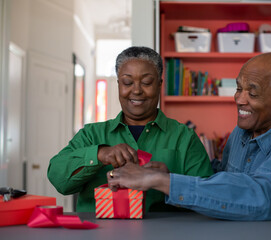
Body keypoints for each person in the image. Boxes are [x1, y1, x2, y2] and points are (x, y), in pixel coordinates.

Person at [107, 52, 271, 239]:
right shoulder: (242, 132)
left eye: (252, 93)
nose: (239, 99)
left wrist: (163, 181)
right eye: (238, 88)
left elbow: (262, 199)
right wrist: (174, 173)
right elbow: (227, 179)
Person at [47, 46, 213, 212]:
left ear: (160, 84)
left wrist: (167, 181)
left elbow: (209, 198)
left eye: (146, 82)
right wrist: (99, 155)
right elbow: (58, 179)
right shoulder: (92, 135)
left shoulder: (184, 137)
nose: (136, 90)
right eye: (127, 82)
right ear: (119, 84)